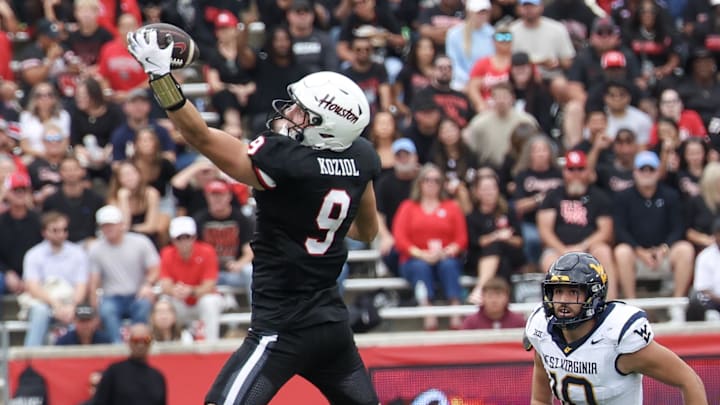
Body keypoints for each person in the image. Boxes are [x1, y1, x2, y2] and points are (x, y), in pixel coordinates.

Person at [127, 27, 381, 404]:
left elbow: (199, 137)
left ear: (325, 130)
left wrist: (160, 77)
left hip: (282, 326)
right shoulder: (360, 156)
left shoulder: (286, 162)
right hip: (331, 325)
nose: (290, 112)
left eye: (303, 112)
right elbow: (366, 231)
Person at [524, 252, 708, 404]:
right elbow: (540, 399)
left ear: (594, 295)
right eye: (558, 291)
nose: (563, 301)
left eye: (573, 292)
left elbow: (689, 381)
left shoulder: (617, 337)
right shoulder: (542, 331)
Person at [88, 205, 160, 343]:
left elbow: (155, 269)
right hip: (112, 296)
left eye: (112, 225)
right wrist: (94, 308)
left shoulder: (140, 242)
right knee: (107, 311)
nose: (108, 229)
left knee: (143, 306)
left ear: (121, 225)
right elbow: (94, 282)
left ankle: (140, 343)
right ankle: (117, 347)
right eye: (105, 226)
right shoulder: (96, 249)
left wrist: (147, 285)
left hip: (138, 293)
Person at [21, 212, 89, 346]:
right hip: (43, 301)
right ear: (44, 232)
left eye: (64, 230)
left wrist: (72, 306)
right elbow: (33, 287)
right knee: (41, 311)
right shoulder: (33, 254)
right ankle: (30, 358)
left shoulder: (78, 253)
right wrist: (55, 304)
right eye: (55, 230)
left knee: (82, 313)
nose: (61, 234)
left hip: (71, 301)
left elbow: (82, 285)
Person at [159, 216, 223, 342]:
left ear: (194, 237)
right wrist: (175, 291)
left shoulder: (207, 251)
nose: (183, 242)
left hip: (201, 300)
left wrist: (191, 291)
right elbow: (165, 284)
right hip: (180, 301)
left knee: (210, 301)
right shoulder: (166, 253)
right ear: (173, 240)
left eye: (187, 237)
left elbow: (210, 285)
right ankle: (167, 343)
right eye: (179, 238)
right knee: (164, 304)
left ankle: (211, 344)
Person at [92, 323, 167, 405]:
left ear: (151, 342)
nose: (140, 345)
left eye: (146, 340)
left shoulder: (158, 378)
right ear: (129, 342)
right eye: (136, 340)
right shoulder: (114, 373)